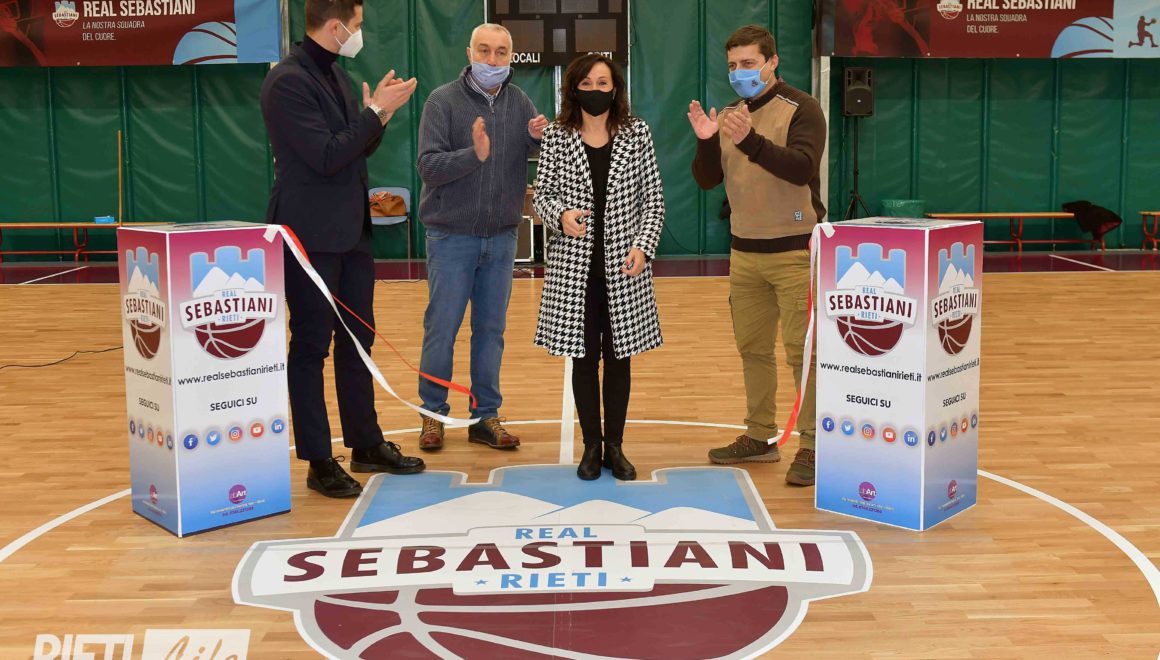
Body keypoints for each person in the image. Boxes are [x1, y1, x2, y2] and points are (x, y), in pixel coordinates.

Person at [261, 0, 425, 498]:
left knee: (358, 340)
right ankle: (317, 458)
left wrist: (379, 117)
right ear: (335, 26)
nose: (359, 32)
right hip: (310, 236)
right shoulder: (287, 81)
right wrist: (374, 113)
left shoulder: (334, 74)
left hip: (352, 233)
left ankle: (365, 442)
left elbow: (355, 148)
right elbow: (326, 156)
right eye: (357, 25)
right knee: (311, 346)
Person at [688, 24, 826, 486]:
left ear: (772, 62)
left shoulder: (802, 108)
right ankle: (760, 436)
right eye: (732, 65)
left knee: (802, 353)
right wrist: (707, 139)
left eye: (748, 63)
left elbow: (802, 167)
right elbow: (708, 179)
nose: (739, 72)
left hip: (795, 251)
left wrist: (749, 140)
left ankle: (814, 444)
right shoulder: (730, 115)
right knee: (753, 349)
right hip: (744, 252)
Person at [414, 23, 548, 452]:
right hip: (450, 237)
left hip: (502, 238)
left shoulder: (519, 101)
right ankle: (433, 414)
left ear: (511, 57)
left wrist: (537, 140)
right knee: (442, 329)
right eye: (485, 51)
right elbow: (428, 166)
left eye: (501, 52)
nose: (493, 60)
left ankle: (484, 415)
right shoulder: (442, 101)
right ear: (469, 53)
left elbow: (536, 152)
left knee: (491, 331)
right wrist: (474, 155)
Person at [534, 54, 665, 481]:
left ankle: (616, 446)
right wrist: (560, 216)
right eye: (587, 83)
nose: (595, 90)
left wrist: (643, 246)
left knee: (620, 358)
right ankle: (592, 445)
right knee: (584, 359)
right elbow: (542, 195)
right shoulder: (557, 136)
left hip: (625, 268)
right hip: (574, 269)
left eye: (603, 83)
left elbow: (654, 200)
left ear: (615, 88)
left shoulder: (637, 133)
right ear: (573, 88)